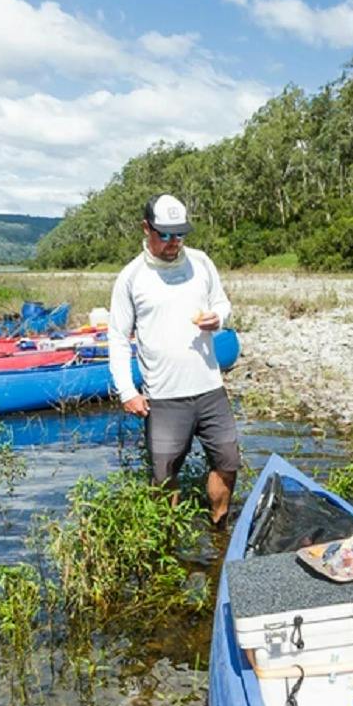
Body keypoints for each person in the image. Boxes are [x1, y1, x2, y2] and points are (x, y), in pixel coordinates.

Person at [107, 193, 242, 526]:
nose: (172, 243)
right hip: (164, 396)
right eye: (164, 235)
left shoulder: (201, 262)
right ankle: (165, 535)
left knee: (227, 461)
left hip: (210, 388)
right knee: (164, 474)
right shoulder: (131, 277)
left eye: (178, 235)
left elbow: (222, 303)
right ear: (146, 228)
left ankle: (219, 526)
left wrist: (218, 318)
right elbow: (118, 338)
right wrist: (127, 391)